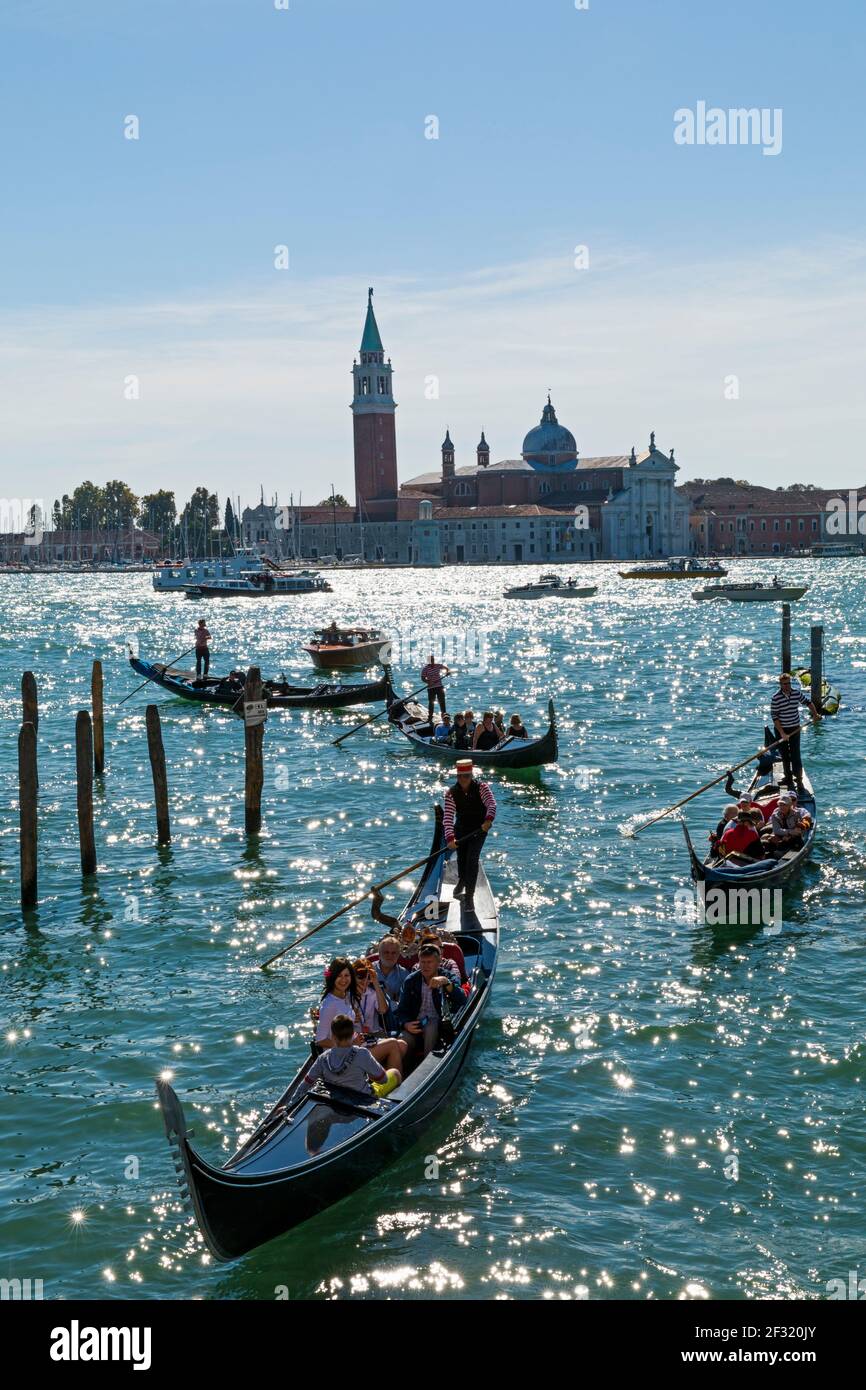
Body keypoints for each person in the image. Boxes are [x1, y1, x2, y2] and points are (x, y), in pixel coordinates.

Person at [315, 957, 406, 1074]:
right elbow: (320, 1040)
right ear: (332, 977)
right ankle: (390, 1084)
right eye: (339, 976)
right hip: (344, 1056)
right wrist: (349, 1045)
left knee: (401, 1045)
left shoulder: (343, 997)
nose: (343, 980)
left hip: (356, 1046)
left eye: (346, 976)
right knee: (393, 1044)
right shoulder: (329, 1004)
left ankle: (378, 1078)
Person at [395, 943, 465, 1060]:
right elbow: (401, 1010)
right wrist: (405, 1023)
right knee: (401, 1042)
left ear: (438, 963)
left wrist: (446, 983)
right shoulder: (411, 980)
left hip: (441, 1027)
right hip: (416, 1025)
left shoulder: (448, 977)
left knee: (431, 1026)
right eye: (422, 962)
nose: (425, 966)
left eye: (429, 962)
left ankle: (427, 1065)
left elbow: (462, 999)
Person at [303, 1013, 399, 1098]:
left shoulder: (323, 1058)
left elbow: (306, 1083)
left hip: (337, 1101)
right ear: (353, 1035)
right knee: (395, 1073)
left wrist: (291, 1104)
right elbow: (383, 1080)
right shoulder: (362, 1053)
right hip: (363, 1099)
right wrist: (370, 1075)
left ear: (333, 1036)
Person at [444, 758, 496, 911]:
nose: (463, 779)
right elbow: (447, 818)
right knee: (461, 859)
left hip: (480, 829)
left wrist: (488, 820)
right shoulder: (451, 793)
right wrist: (450, 838)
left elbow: (491, 804)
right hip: (461, 829)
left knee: (472, 860)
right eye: (460, 776)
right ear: (457, 777)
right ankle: (461, 880)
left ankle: (469, 897)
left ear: (471, 776)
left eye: (466, 776)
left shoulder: (482, 788)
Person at [770, 672, 821, 793]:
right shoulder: (776, 697)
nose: (786, 686)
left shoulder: (796, 693)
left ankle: (799, 779)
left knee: (795, 755)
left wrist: (815, 714)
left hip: (794, 728)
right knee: (785, 755)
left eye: (788, 683)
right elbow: (775, 717)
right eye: (784, 684)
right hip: (781, 729)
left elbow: (808, 703)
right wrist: (782, 733)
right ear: (780, 684)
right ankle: (788, 778)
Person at [370, 934, 409, 1030]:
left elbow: (405, 1002)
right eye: (386, 952)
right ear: (379, 953)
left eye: (394, 953)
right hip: (370, 1014)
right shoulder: (369, 970)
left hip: (393, 1016)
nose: (390, 956)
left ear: (399, 954)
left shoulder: (404, 974)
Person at [352, 958, 390, 1039]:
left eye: (368, 977)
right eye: (360, 977)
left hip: (374, 1034)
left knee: (401, 1044)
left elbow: (383, 1010)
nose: (365, 981)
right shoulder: (347, 995)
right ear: (353, 976)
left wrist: (375, 982)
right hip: (355, 1037)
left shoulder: (372, 993)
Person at [421, 653, 450, 723]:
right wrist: (428, 682)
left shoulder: (438, 666)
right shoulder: (425, 669)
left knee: (442, 702)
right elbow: (422, 678)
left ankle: (444, 717)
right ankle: (430, 718)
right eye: (431, 661)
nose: (432, 662)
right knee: (431, 703)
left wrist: (447, 672)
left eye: (433, 660)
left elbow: (446, 668)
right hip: (431, 688)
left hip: (439, 687)